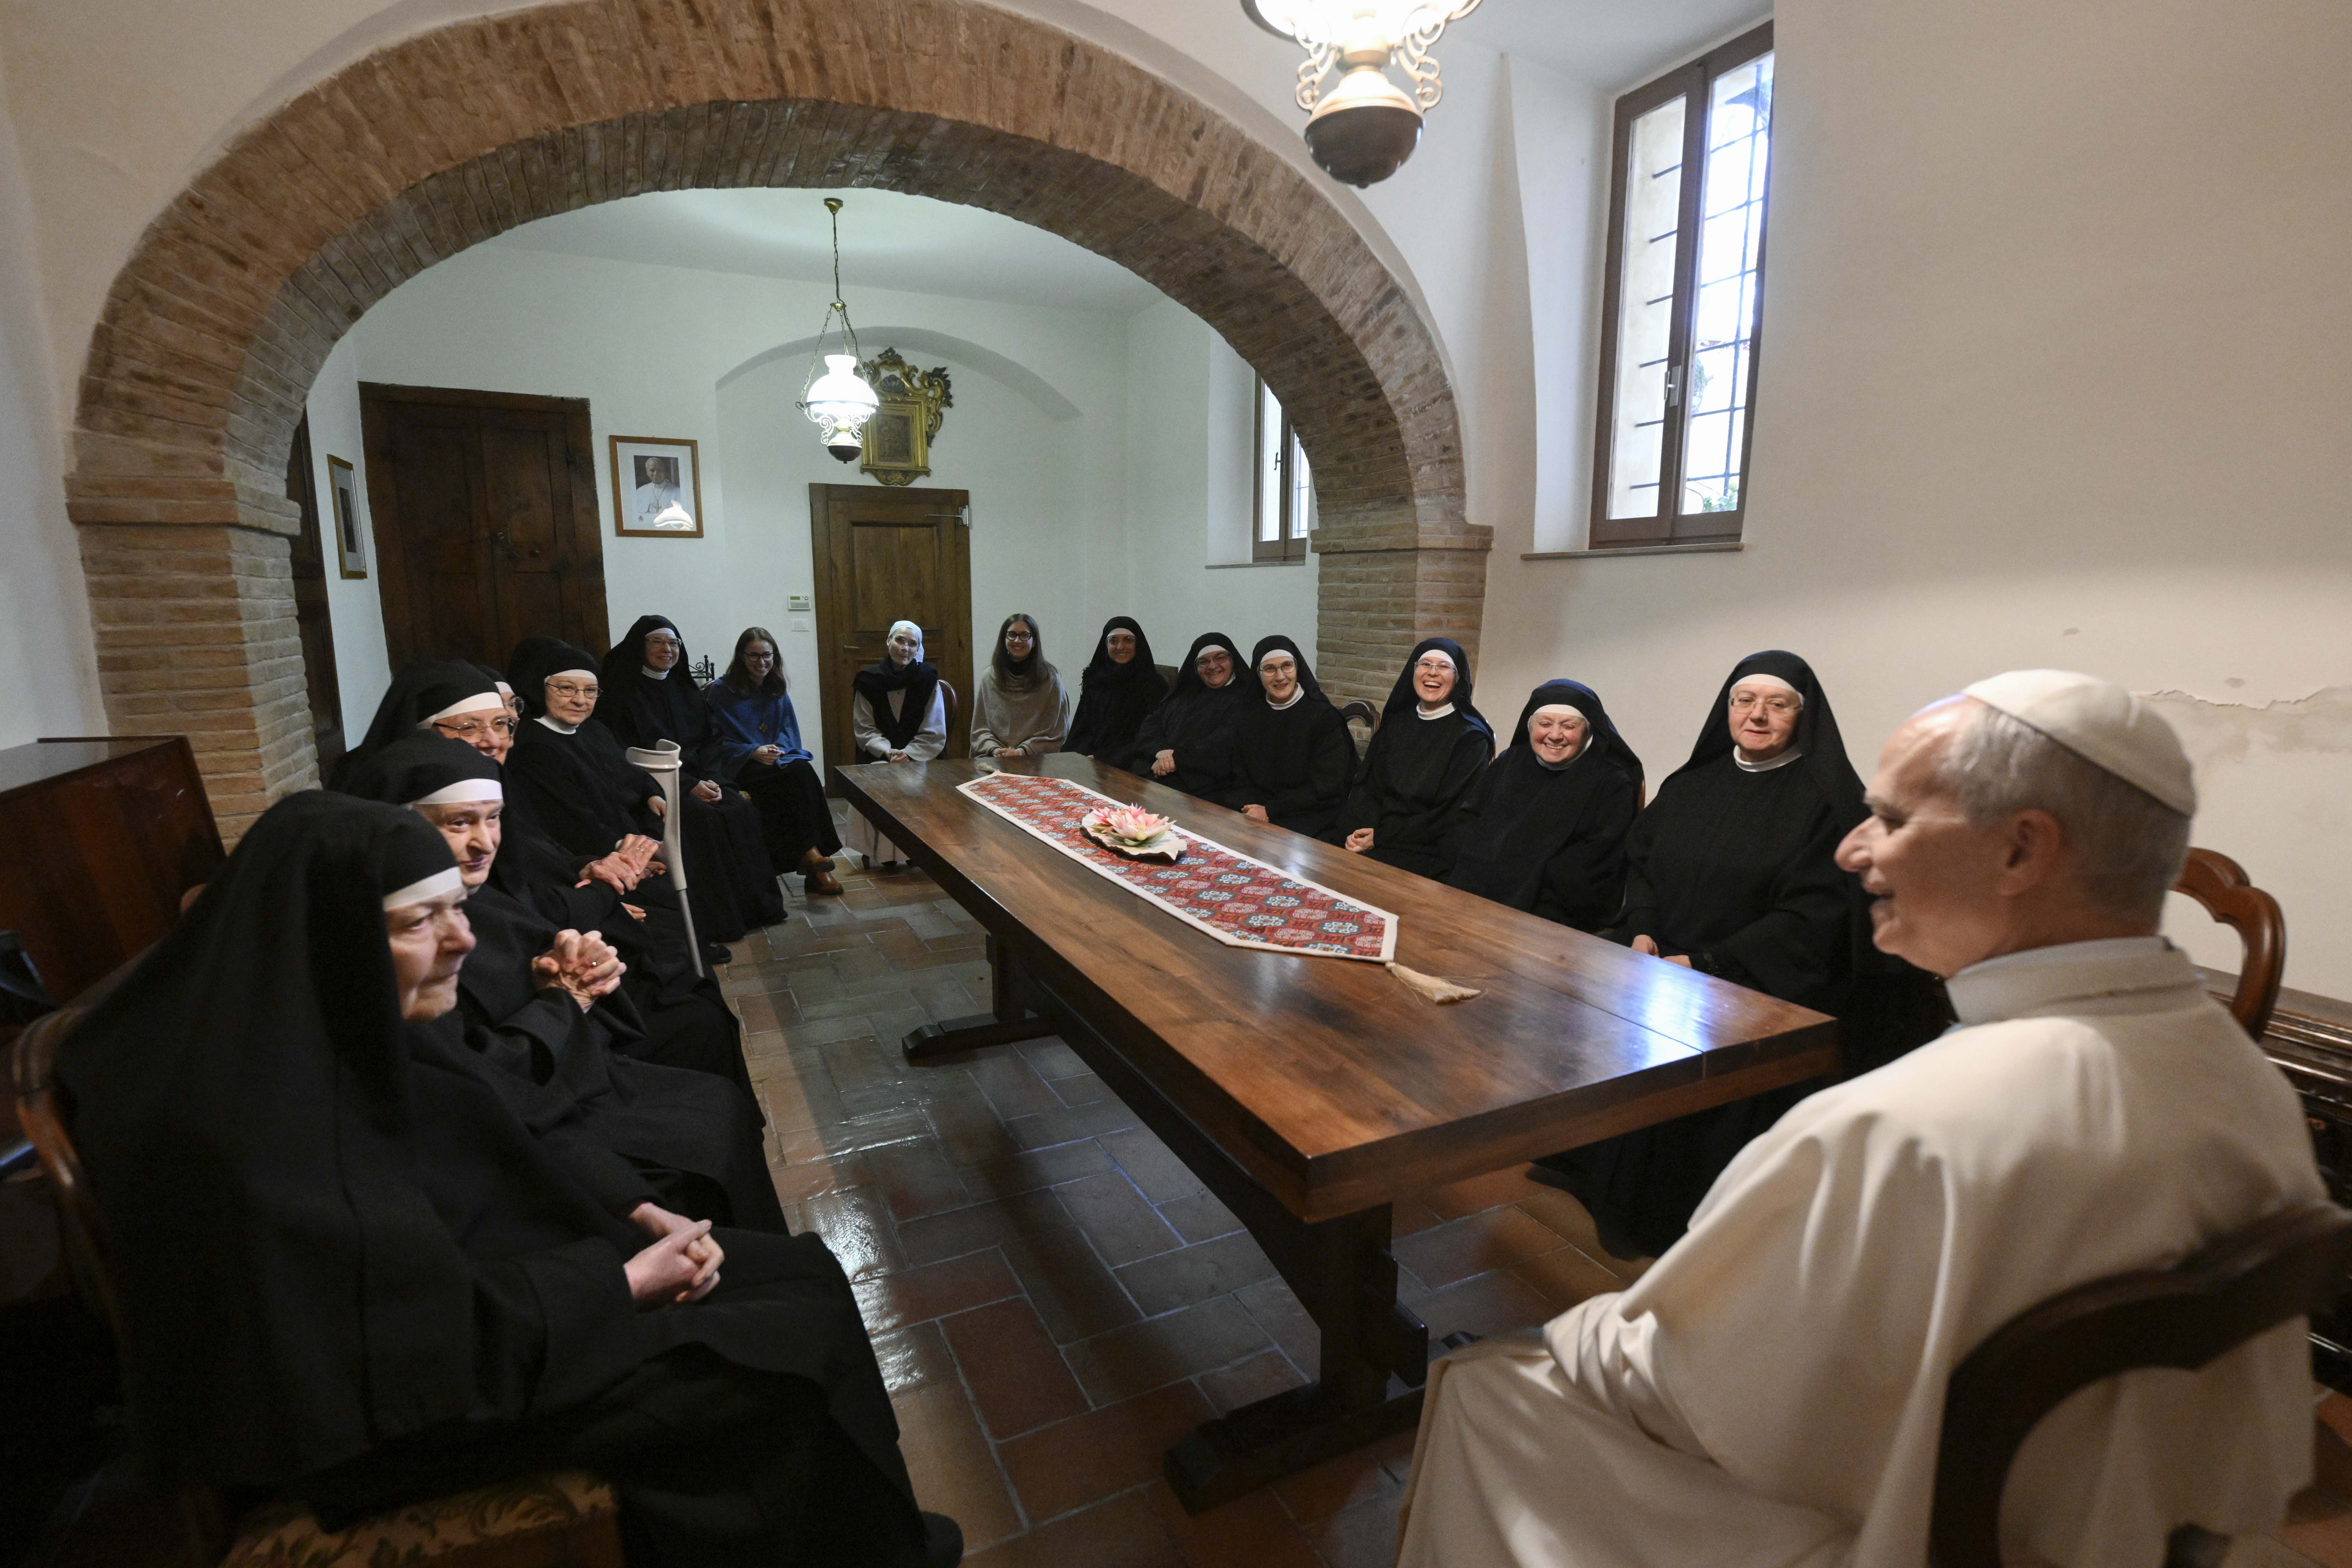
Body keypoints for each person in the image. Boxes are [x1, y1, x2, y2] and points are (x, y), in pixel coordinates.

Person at [1397, 670, 2323, 1568]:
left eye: (1890, 819)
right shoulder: (2244, 1076)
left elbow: (1685, 1393)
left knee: (1482, 1385)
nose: (1851, 851)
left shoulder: (1901, 1126)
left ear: (2018, 850)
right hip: (2116, 1526)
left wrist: (1567, 1336)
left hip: (1913, 1533)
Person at [54, 791, 961, 1567]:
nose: (461, 940)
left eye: (457, 908)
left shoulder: (343, 1021)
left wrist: (629, 1207)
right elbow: (385, 1343)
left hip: (496, 1306)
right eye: (420, 920)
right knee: (779, 1359)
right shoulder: (243, 1134)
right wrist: (618, 1283)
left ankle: (876, 1532)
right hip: (413, 1409)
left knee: (805, 1272)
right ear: (328, 937)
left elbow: (495, 1146)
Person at [341, 731, 777, 1225]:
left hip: (552, 1061)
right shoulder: (386, 924)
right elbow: (471, 1087)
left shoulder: (467, 883)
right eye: (459, 822)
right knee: (702, 1093)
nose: (483, 841)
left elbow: (532, 899)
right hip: (526, 1108)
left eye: (492, 818)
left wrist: (575, 959)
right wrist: (568, 994)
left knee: (701, 1044)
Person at [1538, 651, 1870, 1259]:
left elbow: (1811, 916)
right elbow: (1643, 864)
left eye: (1777, 705)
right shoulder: (1692, 783)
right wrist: (1641, 928)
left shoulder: (1828, 804)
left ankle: (1682, 1221)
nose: (1758, 716)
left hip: (1753, 983)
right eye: (1744, 701)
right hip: (1659, 960)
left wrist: (1708, 964)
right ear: (1727, 709)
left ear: (1805, 715)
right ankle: (1602, 1176)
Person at [599, 615, 787, 945]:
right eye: (657, 642)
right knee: (703, 821)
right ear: (640, 647)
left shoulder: (686, 688)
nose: (667, 650)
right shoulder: (621, 694)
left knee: (740, 811)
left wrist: (713, 778)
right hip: (656, 787)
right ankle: (719, 922)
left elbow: (712, 739)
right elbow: (626, 754)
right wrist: (687, 785)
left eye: (673, 643)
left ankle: (757, 909)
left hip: (703, 778)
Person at [1443, 681, 1642, 929]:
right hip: (1478, 891)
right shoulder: (1511, 761)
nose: (1555, 735)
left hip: (1551, 910)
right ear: (1530, 726)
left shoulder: (1611, 783)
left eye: (1569, 726)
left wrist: (1516, 874)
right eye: (1545, 724)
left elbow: (1594, 867)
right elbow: (1468, 820)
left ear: (1588, 731)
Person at [705, 627, 844, 896]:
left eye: (767, 655)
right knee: (793, 780)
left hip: (775, 762)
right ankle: (815, 859)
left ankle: (813, 857)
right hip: (740, 765)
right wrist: (753, 751)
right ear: (742, 657)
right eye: (754, 656)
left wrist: (778, 750)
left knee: (801, 771)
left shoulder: (776, 687)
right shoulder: (722, 691)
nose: (762, 662)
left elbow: (789, 732)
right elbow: (715, 741)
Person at [1339, 638, 1494, 877]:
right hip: (1375, 835)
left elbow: (1450, 816)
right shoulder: (1397, 724)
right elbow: (1369, 788)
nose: (1432, 673)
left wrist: (1381, 837)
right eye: (1425, 664)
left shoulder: (1471, 738)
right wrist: (1359, 832)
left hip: (1426, 849)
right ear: (1413, 671)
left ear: (1457, 677)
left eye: (1443, 667)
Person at [1218, 636, 1355, 841]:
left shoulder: (1324, 717)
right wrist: (1253, 808)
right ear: (1259, 674)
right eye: (1270, 669)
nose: (1280, 677)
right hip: (1259, 809)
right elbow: (1240, 772)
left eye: (1287, 666)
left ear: (1297, 669)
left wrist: (1271, 810)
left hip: (1310, 814)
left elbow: (1328, 786)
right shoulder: (1249, 717)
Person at [846, 620, 947, 870]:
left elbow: (934, 729)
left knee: (910, 781)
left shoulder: (927, 679)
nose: (905, 648)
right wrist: (887, 751)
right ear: (888, 642)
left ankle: (912, 851)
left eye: (913, 644)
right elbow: (865, 728)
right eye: (900, 640)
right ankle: (881, 853)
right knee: (875, 780)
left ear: (918, 649)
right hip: (880, 755)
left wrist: (909, 753)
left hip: (922, 755)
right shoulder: (868, 680)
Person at [1121, 632, 1249, 802]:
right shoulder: (1184, 693)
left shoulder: (1245, 699)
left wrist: (1174, 759)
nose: (1212, 666)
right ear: (1196, 669)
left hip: (1204, 790)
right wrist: (1161, 752)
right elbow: (1151, 724)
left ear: (1233, 660)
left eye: (1220, 658)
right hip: (1159, 774)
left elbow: (1222, 746)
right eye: (1203, 662)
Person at [1064, 616, 1168, 762]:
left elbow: (1149, 737)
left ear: (1138, 643)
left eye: (1128, 640)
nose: (1120, 647)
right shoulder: (1096, 679)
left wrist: (1103, 758)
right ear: (1105, 645)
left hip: (1132, 762)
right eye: (1114, 641)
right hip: (1091, 758)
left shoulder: (1153, 683)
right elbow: (1082, 727)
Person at [970, 613, 1068, 759]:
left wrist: (1022, 751)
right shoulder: (989, 678)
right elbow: (980, 729)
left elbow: (1055, 732)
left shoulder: (1051, 680)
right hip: (994, 758)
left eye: (1024, 635)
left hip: (1037, 760)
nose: (1017, 640)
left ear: (1034, 641)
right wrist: (996, 750)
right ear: (1004, 640)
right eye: (1012, 635)